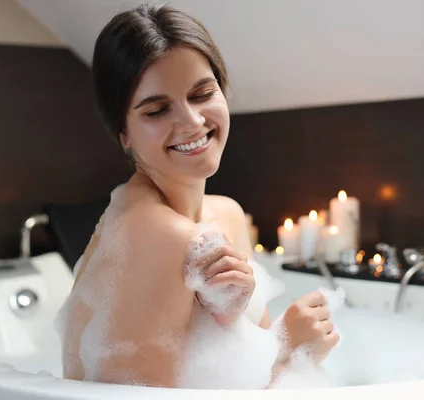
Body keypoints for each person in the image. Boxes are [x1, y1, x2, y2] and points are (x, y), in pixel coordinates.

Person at [58, 3, 339, 389]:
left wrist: (275, 338)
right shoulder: (157, 233)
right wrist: (291, 350)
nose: (192, 122)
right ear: (123, 133)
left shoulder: (225, 215)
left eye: (203, 93)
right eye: (157, 110)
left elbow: (241, 368)